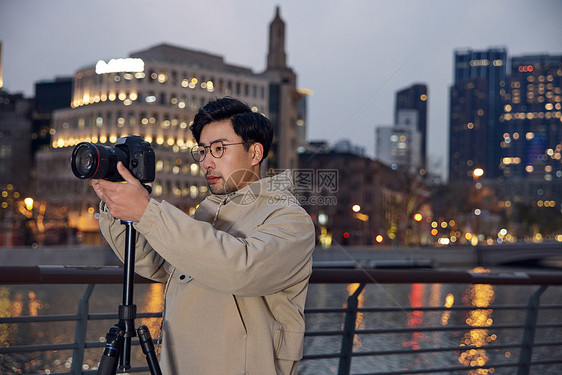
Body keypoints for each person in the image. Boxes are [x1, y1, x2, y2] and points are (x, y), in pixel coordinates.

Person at [92, 97, 316, 375]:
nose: (206, 162)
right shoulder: (209, 212)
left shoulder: (289, 218)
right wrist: (115, 205)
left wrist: (148, 212)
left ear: (255, 153)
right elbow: (158, 263)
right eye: (202, 151)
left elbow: (241, 270)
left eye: (219, 149)